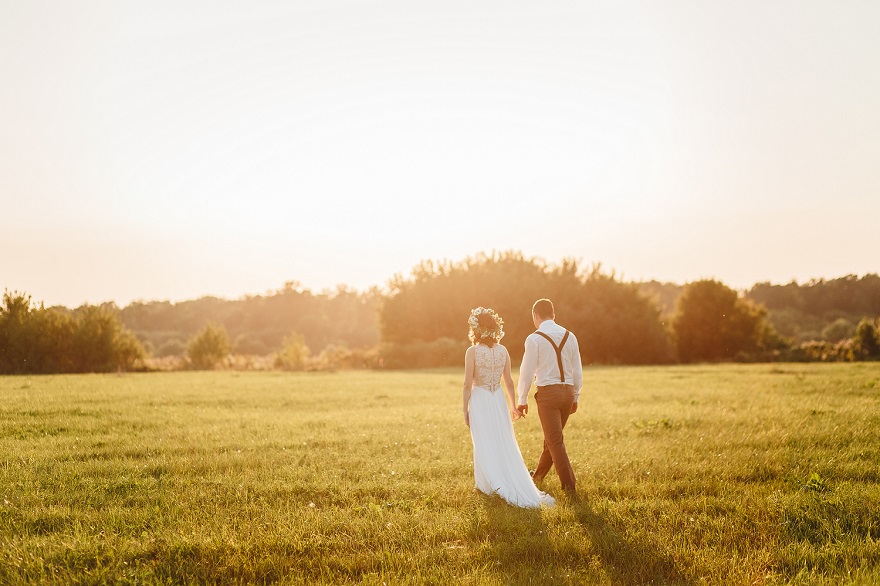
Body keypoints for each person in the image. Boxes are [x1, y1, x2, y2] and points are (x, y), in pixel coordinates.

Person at [462, 307, 555, 508]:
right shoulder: (503, 350)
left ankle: (487, 485)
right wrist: (513, 406)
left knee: (484, 441)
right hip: (497, 400)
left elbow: (467, 384)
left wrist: (464, 410)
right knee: (501, 440)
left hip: (480, 400)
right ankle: (489, 483)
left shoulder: (472, 352)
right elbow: (509, 382)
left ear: (476, 329)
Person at [516, 298, 583, 493]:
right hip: (568, 392)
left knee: (554, 441)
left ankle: (569, 486)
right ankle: (537, 477)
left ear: (535, 316)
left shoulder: (534, 338)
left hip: (548, 395)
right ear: (553, 315)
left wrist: (522, 400)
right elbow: (577, 370)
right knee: (552, 438)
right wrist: (576, 396)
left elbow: (526, 372)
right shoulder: (570, 336)